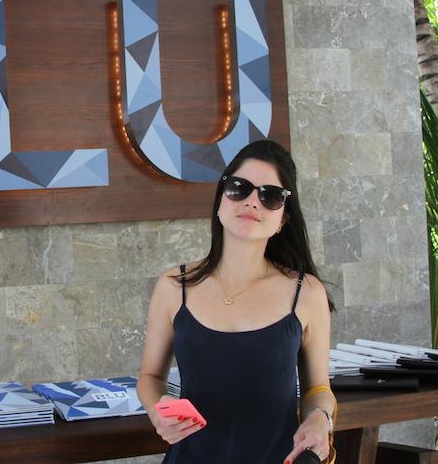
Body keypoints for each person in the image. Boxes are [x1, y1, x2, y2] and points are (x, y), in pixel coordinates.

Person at [137, 140, 336, 464]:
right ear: (220, 200)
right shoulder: (174, 286)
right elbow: (150, 378)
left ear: (283, 218)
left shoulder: (306, 292)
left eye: (270, 195)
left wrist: (319, 419)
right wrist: (158, 408)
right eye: (239, 188)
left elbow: (318, 390)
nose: (252, 201)